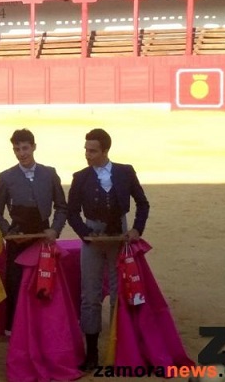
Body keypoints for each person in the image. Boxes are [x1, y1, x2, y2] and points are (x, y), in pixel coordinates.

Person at [67, 128, 150, 372]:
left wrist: (136, 230)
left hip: (119, 237)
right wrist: (85, 233)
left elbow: (143, 203)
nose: (87, 155)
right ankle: (91, 352)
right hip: (93, 238)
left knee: (119, 294)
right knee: (90, 295)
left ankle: (118, 347)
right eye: (86, 149)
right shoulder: (80, 177)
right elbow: (72, 212)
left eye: (92, 151)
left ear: (105, 151)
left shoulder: (125, 172)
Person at [0, 128, 68, 332]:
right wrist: (9, 232)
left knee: (44, 281)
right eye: (17, 149)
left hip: (43, 237)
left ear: (34, 147)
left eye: (25, 148)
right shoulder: (6, 177)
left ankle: (44, 326)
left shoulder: (49, 173)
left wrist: (54, 230)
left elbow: (62, 206)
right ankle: (15, 329)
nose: (21, 153)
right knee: (16, 283)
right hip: (18, 238)